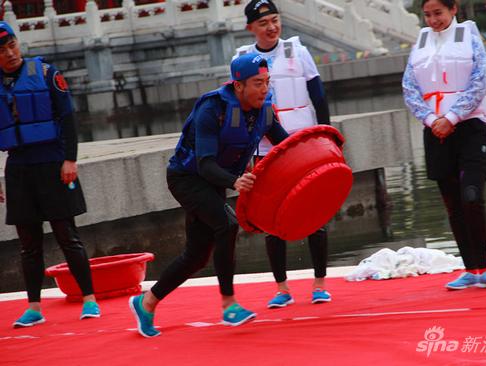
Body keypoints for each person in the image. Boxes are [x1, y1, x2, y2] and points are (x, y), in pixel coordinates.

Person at [129, 53, 289, 337]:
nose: (264, 89)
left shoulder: (264, 109)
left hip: (216, 182)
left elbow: (285, 146)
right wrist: (235, 182)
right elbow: (204, 163)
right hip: (187, 178)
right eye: (257, 83)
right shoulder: (212, 109)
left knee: (196, 256)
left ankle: (146, 303)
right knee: (227, 225)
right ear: (238, 86)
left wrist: (314, 155)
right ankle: (229, 305)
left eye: (267, 82)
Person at [402, 0, 486, 290]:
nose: (433, 20)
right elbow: (409, 87)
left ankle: (485, 268)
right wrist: (430, 118)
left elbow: (479, 80)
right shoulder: (421, 42)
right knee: (453, 204)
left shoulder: (469, 37)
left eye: (438, 13)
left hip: (469, 127)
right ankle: (469, 269)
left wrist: (452, 116)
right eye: (427, 15)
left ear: (453, 9)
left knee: (472, 196)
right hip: (435, 131)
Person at [0, 22, 100, 327]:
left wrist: (70, 159)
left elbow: (68, 119)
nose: (9, 53)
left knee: (67, 235)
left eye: (12, 45)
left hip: (52, 163)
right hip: (18, 168)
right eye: (1, 50)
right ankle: (34, 307)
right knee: (28, 244)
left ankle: (89, 300)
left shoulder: (46, 73)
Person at [234, 0, 333, 308]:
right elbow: (238, 110)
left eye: (275, 20)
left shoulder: (299, 52)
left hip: (305, 148)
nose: (271, 27)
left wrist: (329, 140)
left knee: (315, 215)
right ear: (251, 27)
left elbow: (319, 97)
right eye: (264, 23)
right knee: (270, 219)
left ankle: (319, 284)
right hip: (266, 151)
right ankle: (282, 288)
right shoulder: (242, 59)